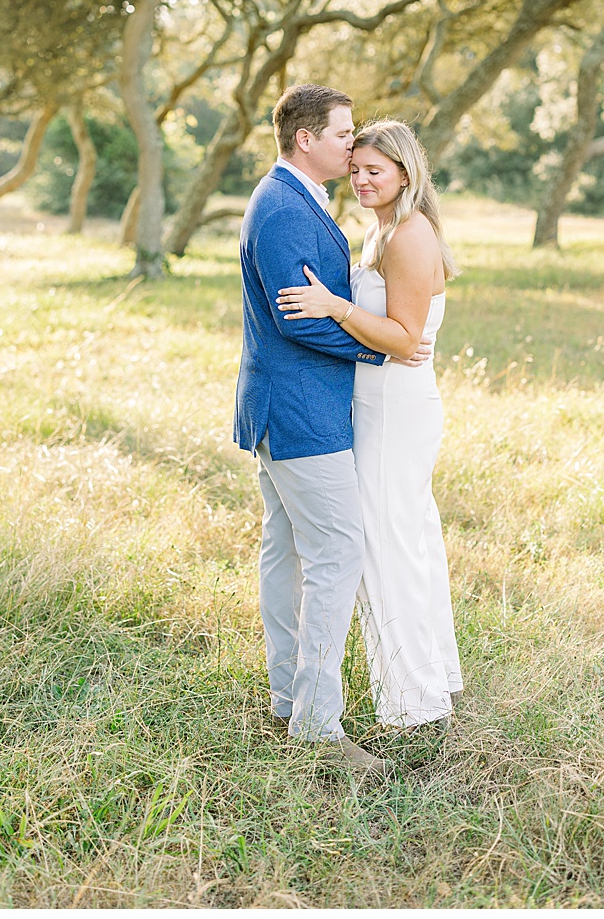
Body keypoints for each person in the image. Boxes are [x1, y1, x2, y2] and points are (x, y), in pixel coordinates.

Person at [234, 84, 431, 777]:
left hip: (289, 408)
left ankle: (290, 699)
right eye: (344, 134)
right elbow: (299, 317)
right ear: (305, 139)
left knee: (288, 553)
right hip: (300, 414)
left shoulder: (296, 198)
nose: (353, 146)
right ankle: (317, 728)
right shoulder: (285, 207)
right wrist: (382, 347)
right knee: (337, 553)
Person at [275, 119, 461, 731]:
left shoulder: (409, 236)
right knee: (399, 535)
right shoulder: (383, 231)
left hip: (396, 407)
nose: (360, 180)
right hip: (377, 402)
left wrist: (335, 306)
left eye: (374, 171)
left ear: (406, 173)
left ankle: (413, 700)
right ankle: (424, 678)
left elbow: (406, 340)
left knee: (389, 542)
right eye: (355, 169)